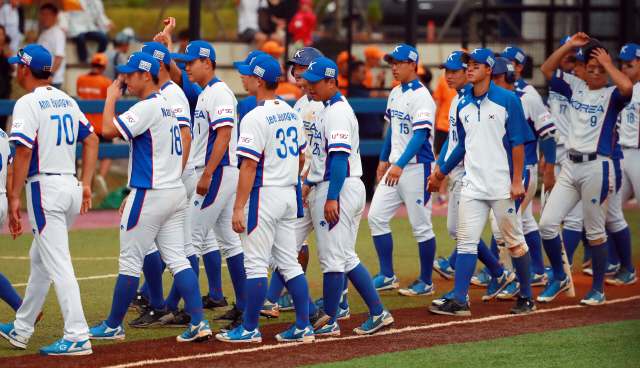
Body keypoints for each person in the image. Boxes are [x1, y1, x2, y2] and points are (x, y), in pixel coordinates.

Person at [87, 51, 211, 343]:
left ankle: (113, 325)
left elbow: (106, 129)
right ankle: (199, 321)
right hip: (173, 191)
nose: (125, 77)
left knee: (129, 262)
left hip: (151, 194)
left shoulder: (147, 107)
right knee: (178, 259)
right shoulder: (169, 104)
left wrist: (110, 97)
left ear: (147, 74)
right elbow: (184, 138)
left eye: (131, 73)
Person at [0, 44, 98, 355]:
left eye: (19, 64)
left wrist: (13, 197)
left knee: (58, 263)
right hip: (69, 184)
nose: (17, 68)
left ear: (25, 69)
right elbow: (92, 138)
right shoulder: (66, 99)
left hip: (46, 189)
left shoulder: (28, 102)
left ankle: (77, 335)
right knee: (40, 260)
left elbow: (24, 150)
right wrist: (86, 184)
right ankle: (22, 327)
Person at [427, 47, 536, 316]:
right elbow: (463, 144)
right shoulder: (463, 102)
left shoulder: (508, 99)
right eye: (469, 64)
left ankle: (526, 295)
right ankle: (460, 299)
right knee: (465, 241)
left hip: (502, 185)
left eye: (476, 65)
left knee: (514, 242)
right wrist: (441, 172)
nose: (470, 68)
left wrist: (516, 180)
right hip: (473, 184)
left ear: (489, 69)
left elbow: (519, 141)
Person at [216, 53, 315, 343]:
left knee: (256, 263)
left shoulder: (254, 116)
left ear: (259, 79)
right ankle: (303, 325)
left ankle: (249, 328)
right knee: (288, 262)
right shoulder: (290, 110)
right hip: (287, 192)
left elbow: (248, 166)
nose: (243, 77)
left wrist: (238, 206)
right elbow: (300, 156)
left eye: (247, 73)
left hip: (264, 195)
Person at [301, 57, 394, 336]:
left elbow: (339, 158)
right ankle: (378, 313)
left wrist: (331, 197)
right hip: (340, 185)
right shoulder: (327, 108)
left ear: (332, 82)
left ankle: (329, 320)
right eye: (309, 81)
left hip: (339, 186)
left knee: (332, 258)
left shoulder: (337, 112)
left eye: (316, 82)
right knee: (345, 256)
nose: (310, 86)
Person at [538, 33, 633, 305]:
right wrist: (569, 46)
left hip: (598, 167)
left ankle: (598, 289)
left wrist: (608, 63)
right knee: (546, 224)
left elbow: (627, 87)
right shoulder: (575, 86)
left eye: (599, 69)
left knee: (594, 231)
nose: (594, 73)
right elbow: (546, 70)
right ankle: (559, 276)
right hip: (570, 164)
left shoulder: (612, 94)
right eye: (590, 68)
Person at [125, 42, 200, 329]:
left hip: (175, 177)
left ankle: (159, 304)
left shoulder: (170, 94)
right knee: (175, 247)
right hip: (171, 177)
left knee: (177, 247)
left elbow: (185, 136)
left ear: (154, 68)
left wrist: (173, 176)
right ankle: (161, 303)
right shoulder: (165, 93)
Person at [175, 41, 248, 332]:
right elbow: (171, 75)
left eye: (191, 62)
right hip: (222, 172)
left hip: (218, 172)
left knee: (188, 240)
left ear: (208, 62)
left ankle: (187, 310)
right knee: (229, 243)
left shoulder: (219, 92)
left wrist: (207, 174)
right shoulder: (207, 92)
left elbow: (225, 135)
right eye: (185, 63)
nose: (186, 67)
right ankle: (243, 306)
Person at [260, 47, 334, 327]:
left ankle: (340, 303)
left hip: (321, 183)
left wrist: (310, 181)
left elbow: (327, 151)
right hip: (304, 181)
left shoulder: (322, 102)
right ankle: (274, 298)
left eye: (302, 67)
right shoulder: (301, 103)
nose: (297, 72)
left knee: (335, 251)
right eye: (295, 67)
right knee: (287, 245)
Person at [367, 44, 438, 297]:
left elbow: (420, 136)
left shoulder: (422, 96)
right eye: (392, 63)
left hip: (417, 166)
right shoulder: (395, 92)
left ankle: (426, 281)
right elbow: (393, 131)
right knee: (375, 216)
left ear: (412, 65)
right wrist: (384, 159)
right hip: (396, 166)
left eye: (398, 62)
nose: (394, 67)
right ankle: (387, 275)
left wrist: (398, 163)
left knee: (421, 225)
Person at [489, 56, 557, 300]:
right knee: (524, 222)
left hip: (525, 171)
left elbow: (548, 134)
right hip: (501, 171)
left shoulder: (528, 98)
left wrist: (549, 171)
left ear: (510, 76)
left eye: (497, 76)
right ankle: (535, 270)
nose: (492, 81)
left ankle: (514, 278)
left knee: (503, 226)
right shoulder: (491, 99)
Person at [76, 52, 112, 197]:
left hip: (85, 125)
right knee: (107, 154)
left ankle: (87, 186)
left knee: (87, 158)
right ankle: (101, 177)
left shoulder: (80, 79)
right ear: (103, 68)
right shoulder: (106, 82)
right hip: (101, 124)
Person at [431, 72, 458, 209]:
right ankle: (442, 196)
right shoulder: (443, 80)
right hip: (444, 125)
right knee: (440, 159)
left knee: (443, 160)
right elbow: (437, 101)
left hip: (445, 125)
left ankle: (445, 196)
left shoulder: (443, 79)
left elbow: (437, 102)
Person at [618, 43, 640, 206]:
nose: (624, 66)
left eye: (629, 63)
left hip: (637, 154)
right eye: (622, 63)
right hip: (622, 154)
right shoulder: (624, 89)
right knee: (611, 210)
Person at [36, 4, 65, 89]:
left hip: (53, 80)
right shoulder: (43, 34)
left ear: (54, 16)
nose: (44, 17)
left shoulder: (58, 33)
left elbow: (59, 57)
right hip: (41, 78)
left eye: (46, 14)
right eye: (42, 14)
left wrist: (51, 74)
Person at [0, 24, 13, 132]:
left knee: (3, 125)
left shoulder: (8, 50)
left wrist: (9, 57)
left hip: (4, 92)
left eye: (1, 34)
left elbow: (13, 69)